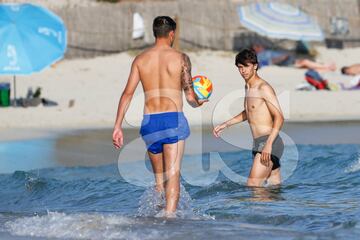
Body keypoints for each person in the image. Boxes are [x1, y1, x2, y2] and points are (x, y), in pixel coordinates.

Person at [112, 16, 206, 217]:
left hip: (150, 123)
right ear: (172, 34)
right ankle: (169, 221)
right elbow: (190, 96)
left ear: (155, 33)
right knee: (173, 175)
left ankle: (155, 217)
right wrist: (199, 102)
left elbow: (127, 93)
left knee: (159, 180)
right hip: (173, 119)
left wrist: (117, 126)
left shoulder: (140, 60)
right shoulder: (181, 59)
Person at [213, 48, 284, 187]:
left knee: (253, 185)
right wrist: (226, 124)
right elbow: (249, 112)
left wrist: (268, 145)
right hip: (258, 143)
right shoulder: (248, 86)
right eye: (240, 67)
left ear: (255, 66)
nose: (243, 70)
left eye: (246, 66)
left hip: (269, 142)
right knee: (273, 192)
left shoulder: (263, 88)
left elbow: (279, 117)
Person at [253, 44, 336, 72]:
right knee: (305, 62)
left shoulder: (266, 52)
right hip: (287, 62)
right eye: (258, 46)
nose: (261, 46)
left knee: (306, 67)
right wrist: (282, 57)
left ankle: (326, 68)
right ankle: (326, 66)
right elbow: (270, 62)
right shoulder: (261, 55)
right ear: (256, 49)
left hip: (288, 60)